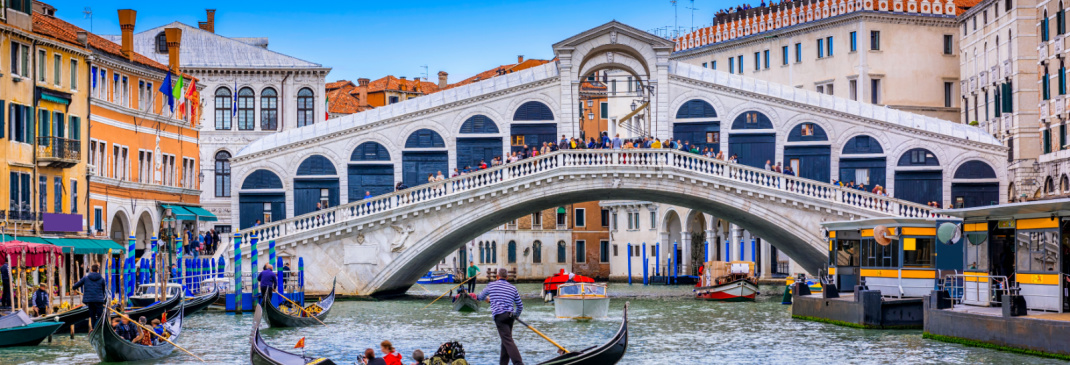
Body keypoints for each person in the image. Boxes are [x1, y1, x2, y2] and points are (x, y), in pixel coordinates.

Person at [477, 268, 524, 365]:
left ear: (497, 276)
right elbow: (520, 306)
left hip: (500, 317)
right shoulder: (513, 288)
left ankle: (518, 363)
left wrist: (487, 298)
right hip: (510, 316)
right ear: (507, 277)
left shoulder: (491, 285)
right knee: (505, 342)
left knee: (507, 340)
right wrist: (516, 315)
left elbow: (480, 297)